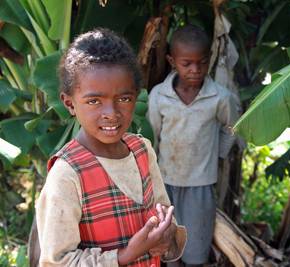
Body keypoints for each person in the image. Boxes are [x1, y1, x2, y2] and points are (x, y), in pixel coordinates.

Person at [36, 28, 186, 267]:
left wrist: (167, 234)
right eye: (94, 101)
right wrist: (125, 255)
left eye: (124, 99)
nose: (111, 113)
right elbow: (57, 262)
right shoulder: (67, 175)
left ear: (136, 97)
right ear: (69, 104)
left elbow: (163, 212)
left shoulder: (142, 151)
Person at [147, 24, 239, 266]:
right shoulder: (159, 96)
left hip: (201, 184)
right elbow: (153, 136)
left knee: (196, 247)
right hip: (166, 183)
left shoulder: (219, 97)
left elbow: (233, 128)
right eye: (187, 63)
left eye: (202, 63)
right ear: (171, 60)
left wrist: (217, 156)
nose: (195, 70)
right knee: (167, 243)